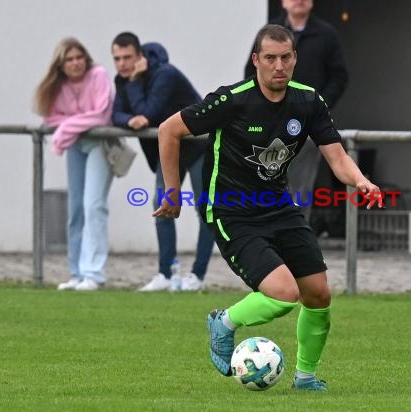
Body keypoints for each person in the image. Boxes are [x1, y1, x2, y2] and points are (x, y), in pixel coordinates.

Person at [154, 24, 380, 391]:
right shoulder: (232, 100)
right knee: (284, 293)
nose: (279, 65)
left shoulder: (308, 102)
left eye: (286, 57)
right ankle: (224, 322)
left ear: (295, 59)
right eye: (270, 58)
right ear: (256, 60)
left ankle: (305, 378)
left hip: (278, 207)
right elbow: (169, 130)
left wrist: (361, 181)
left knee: (318, 294)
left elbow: (337, 158)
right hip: (231, 211)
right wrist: (173, 192)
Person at [111, 32, 214, 292]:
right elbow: (117, 114)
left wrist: (135, 86)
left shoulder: (165, 74)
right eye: (117, 59)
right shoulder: (122, 80)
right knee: (163, 208)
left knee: (206, 211)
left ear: (140, 56)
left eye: (127, 58)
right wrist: (129, 120)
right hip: (170, 150)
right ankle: (165, 274)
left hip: (199, 145)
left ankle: (197, 276)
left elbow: (150, 112)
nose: (122, 64)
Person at [244, 0, 349, 222]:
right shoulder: (268, 33)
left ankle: (296, 240)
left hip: (306, 125)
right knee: (265, 182)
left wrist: (319, 104)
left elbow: (339, 76)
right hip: (270, 123)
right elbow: (250, 73)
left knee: (300, 189)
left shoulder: (326, 35)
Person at [34, 38, 114, 291]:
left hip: (101, 144)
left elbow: (101, 115)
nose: (76, 63)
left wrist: (68, 125)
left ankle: (94, 273)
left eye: (79, 57)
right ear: (61, 64)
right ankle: (77, 273)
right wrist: (77, 124)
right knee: (76, 209)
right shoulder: (60, 85)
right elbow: (51, 117)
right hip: (76, 145)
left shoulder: (98, 75)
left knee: (93, 206)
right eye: (69, 59)